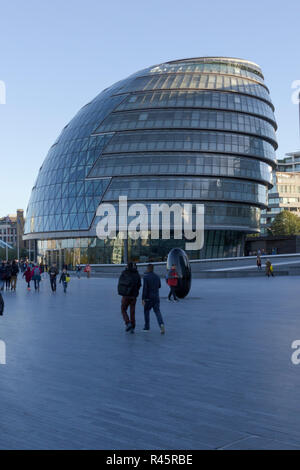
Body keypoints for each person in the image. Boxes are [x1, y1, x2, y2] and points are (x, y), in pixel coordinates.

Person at [118, 262, 141, 333]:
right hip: (134, 296)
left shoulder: (125, 273)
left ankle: (128, 323)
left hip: (126, 295)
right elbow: (139, 284)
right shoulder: (137, 274)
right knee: (132, 312)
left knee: (123, 309)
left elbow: (121, 283)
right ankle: (133, 327)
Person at [142, 264, 165, 334]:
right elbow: (159, 286)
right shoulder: (157, 276)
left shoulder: (146, 277)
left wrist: (143, 298)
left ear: (148, 269)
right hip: (156, 297)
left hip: (148, 298)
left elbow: (145, 289)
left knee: (146, 311)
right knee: (157, 312)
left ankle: (147, 327)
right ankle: (161, 324)